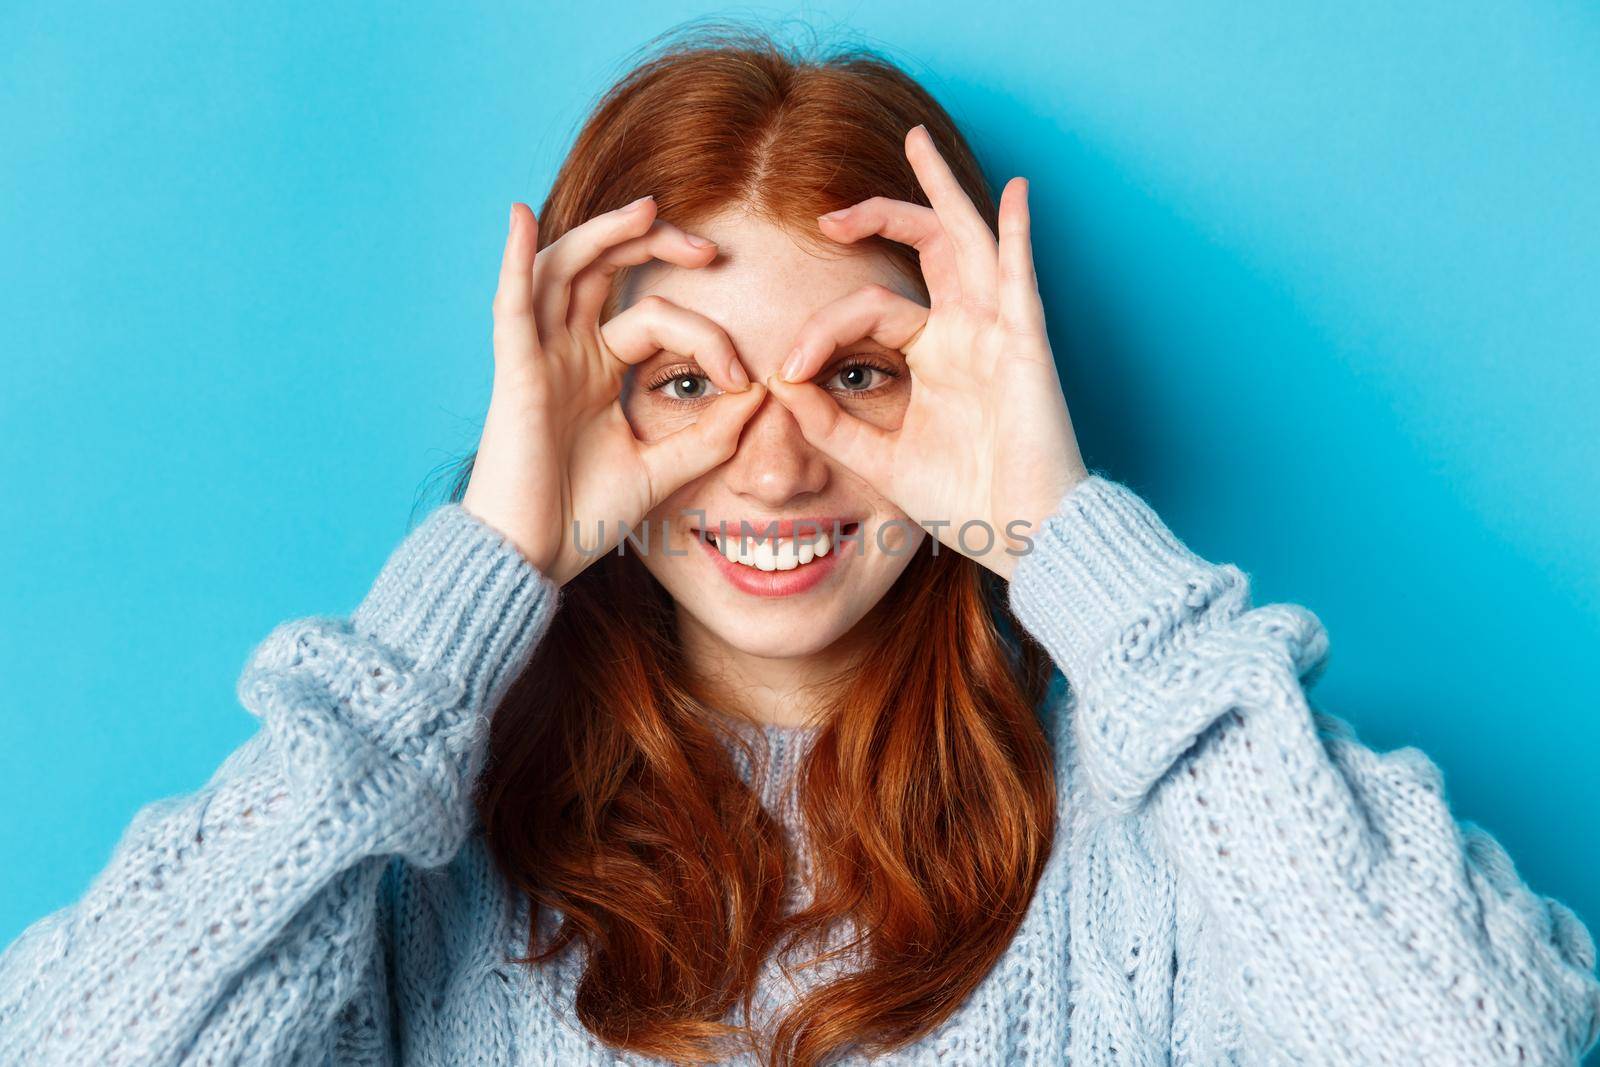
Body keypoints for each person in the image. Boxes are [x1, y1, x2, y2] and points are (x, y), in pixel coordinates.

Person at [2, 24, 1597, 1067]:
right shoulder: (410, 857)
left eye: (857, 376)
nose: (770, 466)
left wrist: (1065, 538)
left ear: (970, 391)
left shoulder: (1161, 820)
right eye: (680, 384)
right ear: (566, 403)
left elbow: (1491, 1046)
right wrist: (481, 574)